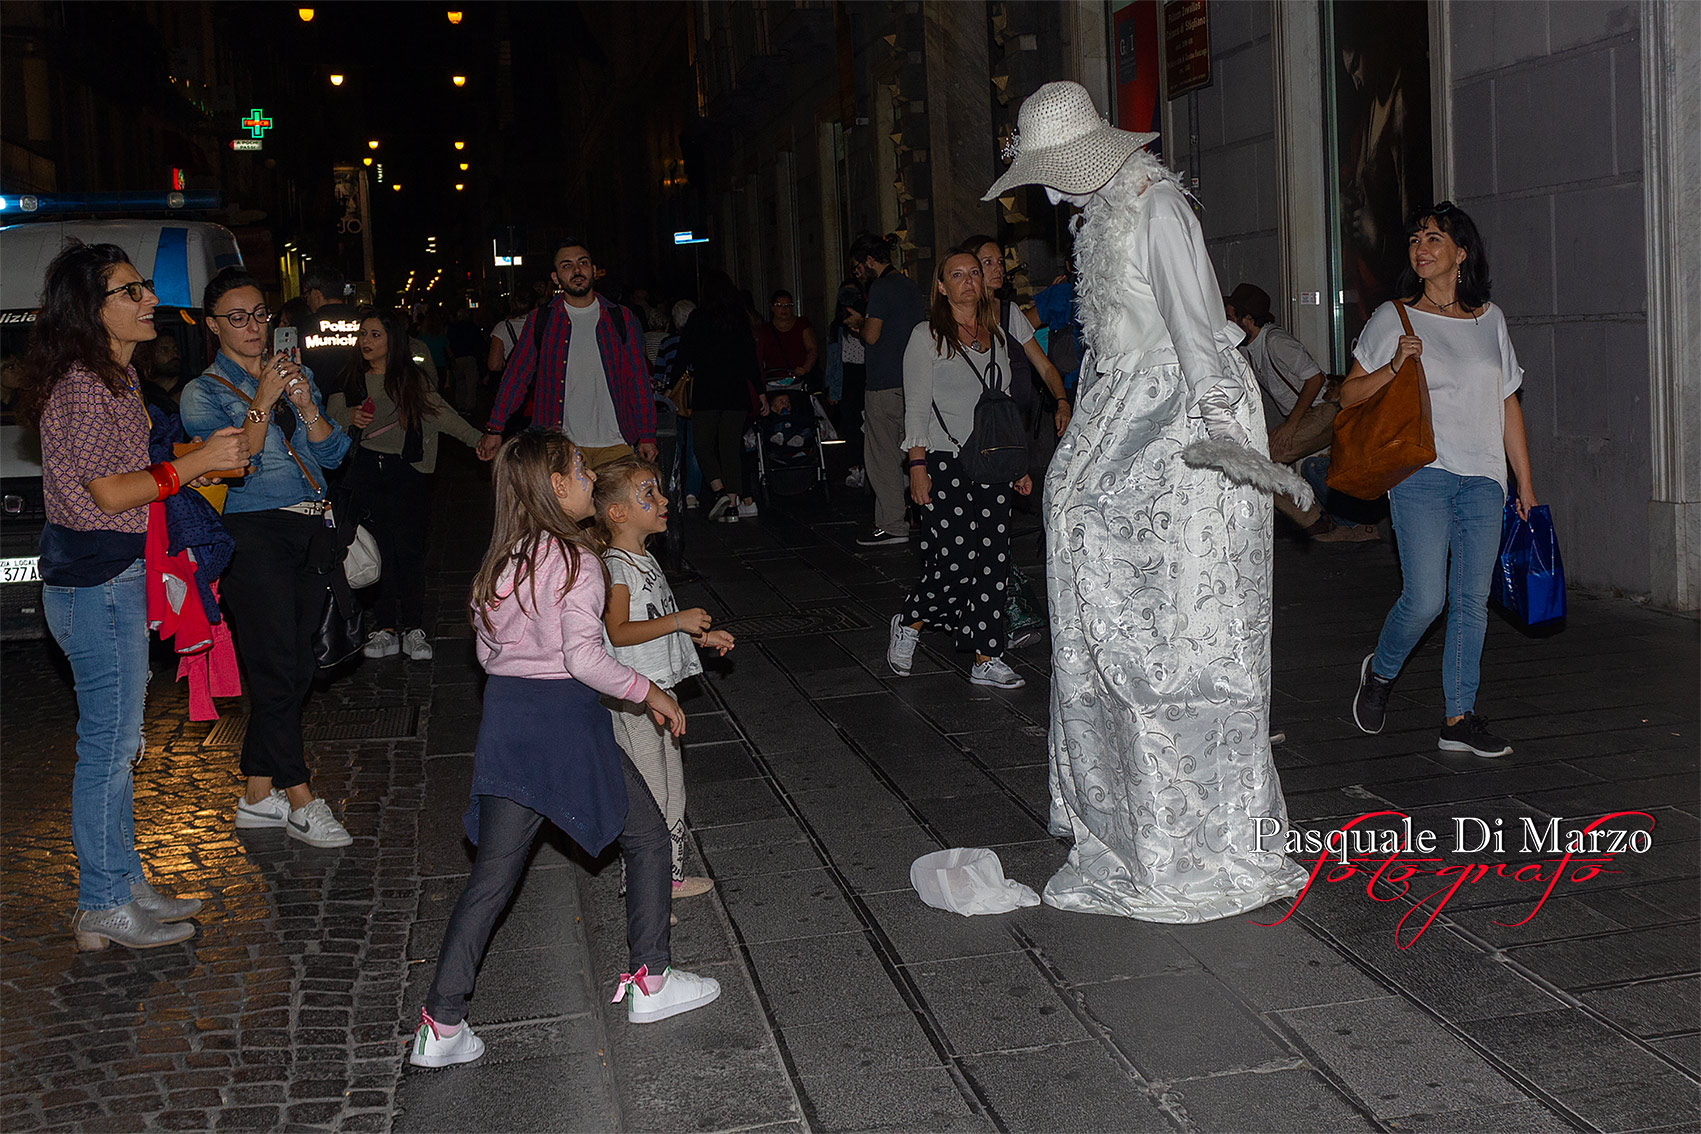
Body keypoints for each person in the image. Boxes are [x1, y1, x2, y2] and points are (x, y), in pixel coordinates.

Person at [985, 81, 1308, 922]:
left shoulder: (1158, 207)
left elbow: (1194, 327)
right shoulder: (1100, 213)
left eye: (1051, 171)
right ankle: (1129, 828)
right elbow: (1112, 341)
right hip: (1122, 411)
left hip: (1173, 420)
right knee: (1103, 631)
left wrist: (1211, 432)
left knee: (1175, 639)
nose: (1046, 192)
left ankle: (1196, 839)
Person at [408, 433, 720, 1068]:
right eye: (577, 469)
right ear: (555, 486)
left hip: (506, 719)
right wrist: (649, 692)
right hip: (561, 719)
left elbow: (488, 653)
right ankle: (651, 981)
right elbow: (584, 657)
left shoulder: (504, 558)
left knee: (491, 879)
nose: (586, 476)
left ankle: (441, 1024)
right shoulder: (577, 560)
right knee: (650, 835)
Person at [17, 241, 249, 950]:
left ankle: (123, 888)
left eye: (143, 286)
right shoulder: (84, 388)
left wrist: (188, 456)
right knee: (108, 749)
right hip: (94, 587)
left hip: (114, 581)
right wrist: (201, 463)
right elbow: (111, 492)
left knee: (121, 745)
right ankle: (100, 903)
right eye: (130, 290)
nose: (149, 299)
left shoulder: (113, 382)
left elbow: (135, 468)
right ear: (94, 310)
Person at [1348, 202, 1535, 759]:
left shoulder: (1490, 320)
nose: (1420, 247)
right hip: (1421, 473)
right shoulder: (1394, 317)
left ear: (1462, 252)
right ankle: (1379, 673)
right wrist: (1393, 367)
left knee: (1471, 601)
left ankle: (1459, 717)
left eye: (1434, 237)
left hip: (1483, 476)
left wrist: (1524, 482)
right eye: (1415, 239)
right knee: (1427, 597)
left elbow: (1508, 402)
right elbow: (1348, 395)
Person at [180, 268, 356, 848]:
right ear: (213, 326)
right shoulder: (201, 392)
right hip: (251, 533)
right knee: (276, 665)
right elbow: (235, 464)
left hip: (311, 528)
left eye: (260, 314)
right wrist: (262, 401)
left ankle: (257, 793)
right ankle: (300, 796)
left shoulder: (294, 374)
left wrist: (305, 404)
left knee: (300, 665)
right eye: (237, 317)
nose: (253, 326)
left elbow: (334, 453)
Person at [884, 251, 1033, 690]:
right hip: (943, 458)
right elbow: (914, 408)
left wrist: (1016, 463)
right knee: (955, 558)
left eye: (974, 273)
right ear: (942, 287)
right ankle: (910, 621)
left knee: (993, 559)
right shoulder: (925, 336)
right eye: (957, 275)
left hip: (990, 460)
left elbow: (1003, 405)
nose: (969, 281)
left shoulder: (999, 336)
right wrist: (916, 466)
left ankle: (987, 655)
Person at [593, 456, 734, 894]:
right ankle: (642, 889)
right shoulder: (617, 568)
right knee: (649, 795)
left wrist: (700, 639)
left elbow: (655, 622)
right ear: (618, 513)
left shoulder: (644, 559)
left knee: (673, 787)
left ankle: (668, 877)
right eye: (648, 494)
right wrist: (679, 622)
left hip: (659, 690)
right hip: (633, 699)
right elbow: (617, 632)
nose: (662, 499)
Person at [326, 309, 487, 662]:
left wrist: (478, 439)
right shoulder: (349, 378)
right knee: (377, 551)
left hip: (406, 471)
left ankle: (414, 627)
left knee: (409, 551)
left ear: (392, 341)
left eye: (375, 335)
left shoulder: (410, 379)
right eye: (363, 335)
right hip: (365, 470)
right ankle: (385, 628)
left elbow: (442, 414)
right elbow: (326, 421)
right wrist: (347, 416)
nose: (366, 342)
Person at [477, 239, 658, 469]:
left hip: (616, 444)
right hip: (561, 447)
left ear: (593, 271)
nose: (576, 270)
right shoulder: (541, 320)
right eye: (567, 265)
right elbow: (516, 377)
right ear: (556, 277)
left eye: (583, 263)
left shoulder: (620, 318)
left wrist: (648, 434)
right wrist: (495, 427)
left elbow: (638, 380)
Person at [1225, 282, 1377, 542]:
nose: (1227, 322)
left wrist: (1291, 425)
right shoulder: (1249, 347)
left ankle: (1316, 521)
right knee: (1268, 466)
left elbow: (1315, 378)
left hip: (1324, 412)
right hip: (1310, 416)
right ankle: (1339, 520)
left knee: (1255, 465)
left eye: (1231, 316)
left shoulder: (1275, 341)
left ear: (1247, 318)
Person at [845, 233, 926, 546]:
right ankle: (921, 512)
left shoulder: (880, 288)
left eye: (857, 267)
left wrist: (858, 324)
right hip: (912, 381)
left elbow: (873, 335)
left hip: (883, 384)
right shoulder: (908, 285)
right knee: (915, 451)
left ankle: (893, 524)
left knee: (882, 457)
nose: (857, 274)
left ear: (868, 261)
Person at [962, 234, 1073, 442]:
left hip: (1007, 418)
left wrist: (1062, 402)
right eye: (988, 262)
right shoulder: (960, 315)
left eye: (1000, 262)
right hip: (967, 420)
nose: (998, 269)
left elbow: (1045, 367)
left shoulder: (1010, 312)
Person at [675, 270, 764, 522]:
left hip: (707, 392)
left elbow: (684, 354)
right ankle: (733, 504)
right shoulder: (739, 319)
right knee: (730, 449)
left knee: (702, 444)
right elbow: (750, 360)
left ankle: (719, 490)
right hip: (736, 393)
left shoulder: (698, 318)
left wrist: (672, 384)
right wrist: (760, 391)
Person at [826, 280, 868, 489]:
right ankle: (854, 467)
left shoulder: (868, 321)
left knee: (867, 426)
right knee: (850, 425)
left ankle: (867, 467)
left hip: (867, 376)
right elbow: (833, 360)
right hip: (847, 376)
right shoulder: (837, 327)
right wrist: (832, 389)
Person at [299, 269, 361, 397]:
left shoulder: (303, 327)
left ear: (316, 294)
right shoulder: (366, 323)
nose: (307, 302)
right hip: (360, 402)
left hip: (318, 402)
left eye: (306, 296)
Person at [756, 290, 819, 387]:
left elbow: (812, 349)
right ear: (772, 307)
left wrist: (805, 368)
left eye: (788, 305)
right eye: (779, 305)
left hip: (798, 379)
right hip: (773, 380)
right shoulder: (764, 329)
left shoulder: (802, 324)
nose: (784, 309)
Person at [446, 306, 484, 416]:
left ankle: (461, 405)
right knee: (471, 384)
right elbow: (479, 342)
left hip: (457, 357)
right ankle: (469, 406)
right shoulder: (472, 327)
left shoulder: (453, 328)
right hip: (469, 357)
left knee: (460, 383)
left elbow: (449, 343)